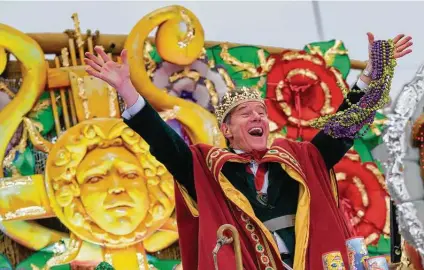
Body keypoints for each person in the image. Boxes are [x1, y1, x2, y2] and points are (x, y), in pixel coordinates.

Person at [84, 33, 412, 270]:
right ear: (226, 130)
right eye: (246, 113)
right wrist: (127, 89)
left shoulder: (302, 160)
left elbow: (346, 125)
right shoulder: (208, 170)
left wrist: (372, 75)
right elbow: (164, 144)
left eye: (261, 112)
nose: (257, 117)